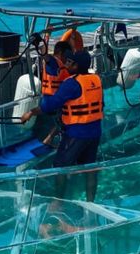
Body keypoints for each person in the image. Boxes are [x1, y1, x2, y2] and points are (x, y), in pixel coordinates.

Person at [20, 49, 103, 204]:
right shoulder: (96, 80)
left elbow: (50, 105)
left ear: (77, 65)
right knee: (90, 168)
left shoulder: (71, 83)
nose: (66, 65)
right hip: (95, 132)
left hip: (76, 134)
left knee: (60, 166)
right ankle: (91, 203)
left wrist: (30, 112)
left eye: (70, 62)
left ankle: (58, 203)